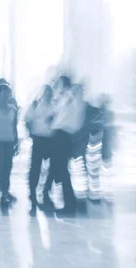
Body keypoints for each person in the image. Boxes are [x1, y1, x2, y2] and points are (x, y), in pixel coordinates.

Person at [47, 76, 81, 214]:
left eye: (59, 83)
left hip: (62, 136)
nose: (57, 86)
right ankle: (68, 202)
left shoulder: (68, 98)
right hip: (59, 136)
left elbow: (67, 119)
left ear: (64, 85)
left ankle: (70, 203)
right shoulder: (64, 99)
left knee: (62, 171)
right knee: (60, 169)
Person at [25, 84, 56, 215]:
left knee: (52, 167)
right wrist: (30, 132)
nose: (48, 94)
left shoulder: (55, 106)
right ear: (42, 93)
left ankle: (45, 191)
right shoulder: (35, 105)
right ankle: (32, 193)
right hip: (38, 140)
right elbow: (27, 120)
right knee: (35, 168)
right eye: (46, 92)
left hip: (51, 140)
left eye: (50, 92)